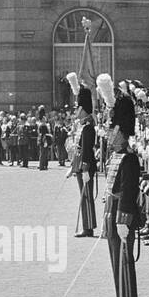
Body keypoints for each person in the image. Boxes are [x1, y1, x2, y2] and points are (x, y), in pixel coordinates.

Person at [103, 84, 140, 297]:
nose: (109, 134)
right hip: (112, 211)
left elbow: (128, 192)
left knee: (123, 261)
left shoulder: (129, 158)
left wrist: (123, 219)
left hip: (121, 214)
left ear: (121, 132)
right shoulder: (117, 156)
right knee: (116, 260)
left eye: (113, 130)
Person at [68, 72, 98, 237]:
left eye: (78, 108)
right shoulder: (83, 126)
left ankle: (88, 227)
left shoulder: (88, 127)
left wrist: (85, 168)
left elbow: (86, 150)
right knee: (84, 197)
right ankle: (87, 225)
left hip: (86, 166)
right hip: (80, 166)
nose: (76, 111)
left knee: (86, 198)